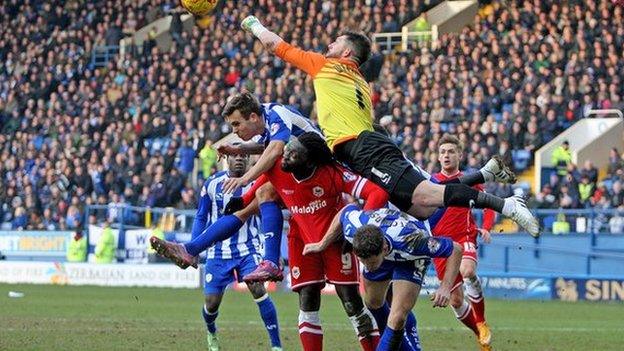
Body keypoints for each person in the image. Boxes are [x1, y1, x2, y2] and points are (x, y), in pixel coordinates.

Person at [240, 16, 539, 237]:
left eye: (336, 42)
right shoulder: (359, 81)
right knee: (424, 207)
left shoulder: (326, 65)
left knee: (426, 197)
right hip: (362, 149)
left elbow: (272, 44)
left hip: (364, 147)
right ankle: (484, 174)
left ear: (346, 53)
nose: (329, 44)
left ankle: (506, 205)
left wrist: (253, 23)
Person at [153, 132, 385, 351]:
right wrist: (243, 198)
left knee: (352, 303)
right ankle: (254, 258)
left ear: (310, 161)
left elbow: (376, 193)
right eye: (286, 152)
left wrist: (360, 230)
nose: (284, 156)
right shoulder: (279, 167)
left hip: (335, 240)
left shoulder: (333, 173)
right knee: (307, 301)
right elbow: (264, 175)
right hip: (301, 239)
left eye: (292, 154)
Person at [188, 92, 322, 280]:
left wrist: (244, 179)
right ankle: (191, 249)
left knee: (262, 192)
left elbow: (275, 149)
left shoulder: (276, 113)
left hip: (319, 168)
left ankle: (271, 261)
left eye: (236, 124)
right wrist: (237, 148)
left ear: (252, 117)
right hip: (300, 171)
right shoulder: (264, 122)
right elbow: (266, 146)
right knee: (250, 204)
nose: (234, 131)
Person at [304, 205, 462, 351]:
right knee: (373, 303)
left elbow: (456, 249)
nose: (367, 265)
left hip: (409, 258)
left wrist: (446, 287)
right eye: (362, 261)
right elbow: (347, 210)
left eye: (370, 262)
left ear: (384, 249)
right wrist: (322, 243)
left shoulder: (413, 242)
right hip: (384, 248)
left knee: (397, 317)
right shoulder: (353, 228)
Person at [192, 148, 282, 351]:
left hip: (248, 249)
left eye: (243, 155)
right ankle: (211, 331)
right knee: (212, 303)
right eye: (235, 155)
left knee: (258, 289)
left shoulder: (257, 182)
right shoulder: (212, 184)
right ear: (226, 158)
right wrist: (194, 248)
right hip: (218, 251)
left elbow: (267, 217)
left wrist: (272, 254)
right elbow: (200, 217)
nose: (239, 158)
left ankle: (276, 346)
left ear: (250, 159)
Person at [429, 134, 495, 351]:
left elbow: (489, 205)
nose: (446, 155)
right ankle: (480, 333)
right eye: (443, 152)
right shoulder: (431, 182)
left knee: (467, 270)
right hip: (441, 246)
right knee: (456, 301)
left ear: (459, 154)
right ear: (438, 157)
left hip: (464, 237)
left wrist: (485, 226)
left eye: (451, 151)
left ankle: (482, 320)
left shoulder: (470, 180)